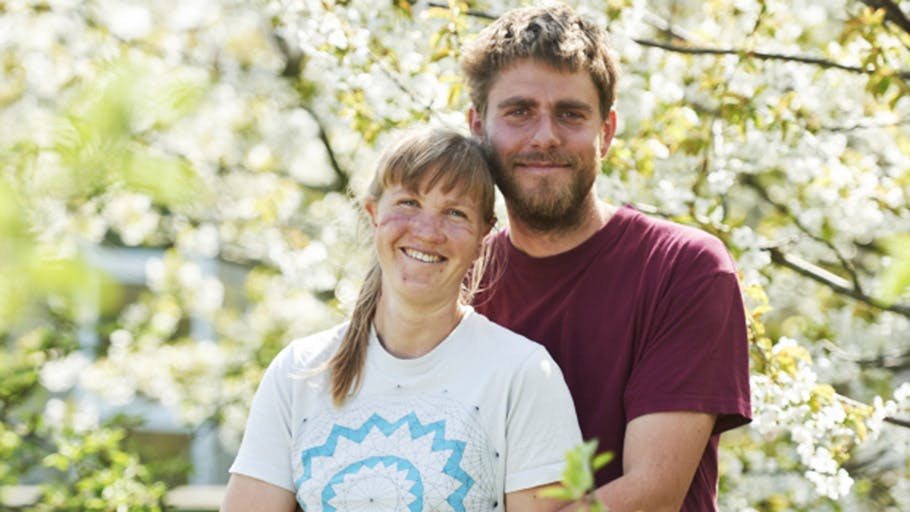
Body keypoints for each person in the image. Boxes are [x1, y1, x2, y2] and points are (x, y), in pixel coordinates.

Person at [461, 4, 752, 511]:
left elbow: (652, 494)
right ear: (478, 127)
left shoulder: (682, 267)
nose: (545, 136)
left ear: (607, 132)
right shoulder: (458, 280)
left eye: (570, 114)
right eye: (519, 111)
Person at [220, 128, 582, 512]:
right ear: (373, 214)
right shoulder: (299, 372)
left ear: (482, 238)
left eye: (455, 213)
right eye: (409, 202)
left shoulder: (523, 374)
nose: (427, 231)